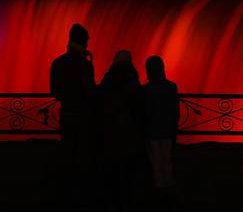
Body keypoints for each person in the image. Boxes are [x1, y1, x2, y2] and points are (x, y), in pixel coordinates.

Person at [50, 23, 96, 210]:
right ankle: (81, 197)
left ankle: (65, 196)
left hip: (67, 114)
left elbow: (54, 91)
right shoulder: (85, 65)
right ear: (84, 41)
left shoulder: (57, 63)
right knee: (82, 156)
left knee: (67, 154)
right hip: (83, 116)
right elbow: (90, 91)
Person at [96, 50, 144, 212]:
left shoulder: (108, 80)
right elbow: (139, 108)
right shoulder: (134, 82)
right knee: (128, 168)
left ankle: (111, 200)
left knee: (112, 168)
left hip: (110, 131)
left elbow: (99, 101)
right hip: (129, 133)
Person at [142, 56, 181, 204]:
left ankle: (159, 189)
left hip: (151, 130)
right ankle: (169, 187)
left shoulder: (145, 89)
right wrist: (174, 127)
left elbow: (144, 111)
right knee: (167, 159)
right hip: (167, 129)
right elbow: (175, 110)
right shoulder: (171, 87)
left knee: (156, 160)